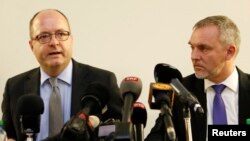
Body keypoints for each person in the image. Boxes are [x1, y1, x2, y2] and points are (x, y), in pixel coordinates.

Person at [1, 9, 123, 141]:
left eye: (61, 34)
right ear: (31, 46)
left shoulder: (103, 81)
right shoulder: (14, 87)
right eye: (44, 36)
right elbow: (9, 134)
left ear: (71, 40)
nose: (54, 42)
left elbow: (120, 132)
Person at [146, 15, 250, 141]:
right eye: (192, 47)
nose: (194, 56)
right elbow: (157, 136)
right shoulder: (181, 90)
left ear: (230, 52)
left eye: (203, 48)